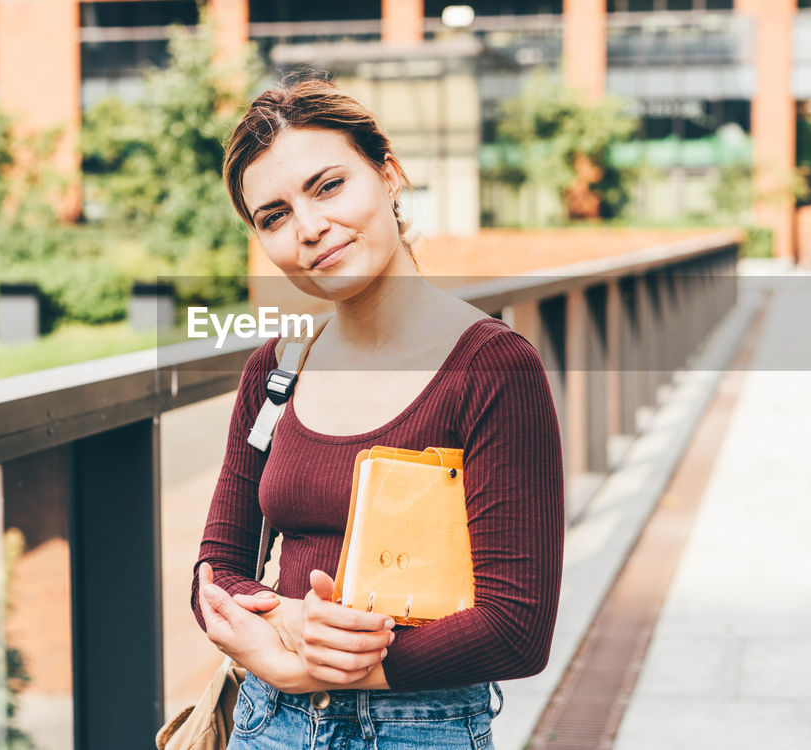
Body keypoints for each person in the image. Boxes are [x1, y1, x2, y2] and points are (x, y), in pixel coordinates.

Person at [190, 79, 565, 749]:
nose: (308, 228)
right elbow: (215, 574)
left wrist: (324, 665)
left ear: (388, 175)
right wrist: (291, 638)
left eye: (327, 186)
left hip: (422, 726)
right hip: (267, 724)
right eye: (273, 216)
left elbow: (515, 626)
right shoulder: (276, 371)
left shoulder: (492, 369)